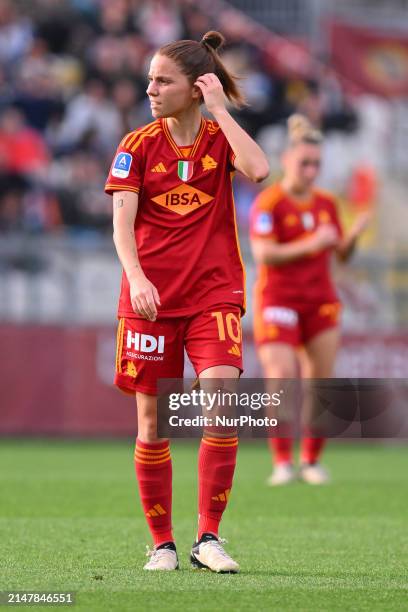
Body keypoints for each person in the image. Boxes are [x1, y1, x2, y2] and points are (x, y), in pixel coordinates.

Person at [105, 31, 269, 571]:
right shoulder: (136, 145)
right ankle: (162, 544)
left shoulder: (221, 139)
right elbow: (122, 228)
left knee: (223, 403)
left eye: (162, 80)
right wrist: (138, 278)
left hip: (213, 294)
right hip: (150, 299)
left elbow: (260, 169)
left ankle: (208, 538)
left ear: (195, 89)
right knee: (153, 424)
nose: (150, 88)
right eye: (150, 78)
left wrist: (221, 109)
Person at [249, 114, 370, 486]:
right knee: (282, 377)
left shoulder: (327, 203)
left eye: (317, 163)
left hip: (320, 300)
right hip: (279, 299)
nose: (311, 170)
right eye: (305, 162)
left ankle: (312, 460)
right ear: (286, 160)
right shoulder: (270, 202)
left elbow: (338, 253)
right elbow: (264, 254)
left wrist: (350, 240)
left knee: (321, 383)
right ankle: (282, 462)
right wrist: (312, 243)